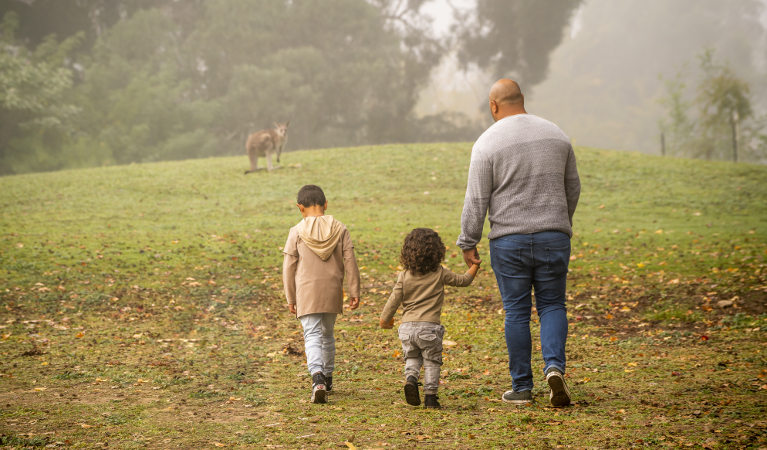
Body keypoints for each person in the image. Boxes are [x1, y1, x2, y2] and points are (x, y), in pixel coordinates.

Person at [457, 79, 581, 407]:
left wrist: (467, 241)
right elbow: (573, 187)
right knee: (553, 304)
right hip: (554, 236)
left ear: (494, 106)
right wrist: (560, 221)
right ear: (522, 99)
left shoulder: (487, 143)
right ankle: (554, 367)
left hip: (508, 241)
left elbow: (477, 198)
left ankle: (522, 387)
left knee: (516, 311)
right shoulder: (557, 135)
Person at [380, 228, 480, 409]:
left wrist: (385, 321)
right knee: (432, 361)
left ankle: (411, 378)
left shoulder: (404, 276)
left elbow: (392, 301)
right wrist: (475, 265)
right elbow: (463, 280)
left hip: (407, 329)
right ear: (437, 252)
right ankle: (431, 398)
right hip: (430, 328)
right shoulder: (440, 273)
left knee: (412, 357)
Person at [283, 184, 361, 404]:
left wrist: (291, 297)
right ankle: (327, 377)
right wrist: (354, 289)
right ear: (325, 204)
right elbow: (350, 261)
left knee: (312, 335)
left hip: (306, 291)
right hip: (332, 289)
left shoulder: (296, 231)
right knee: (327, 334)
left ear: (300, 207)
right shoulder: (340, 229)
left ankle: (317, 377)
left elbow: (288, 266)